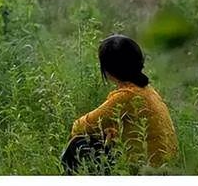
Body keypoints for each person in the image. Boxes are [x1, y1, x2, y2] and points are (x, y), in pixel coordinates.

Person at [61, 34, 178, 174]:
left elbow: (81, 126)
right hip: (167, 166)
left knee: (79, 143)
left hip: (146, 170)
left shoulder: (126, 96)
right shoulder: (148, 90)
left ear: (109, 70)